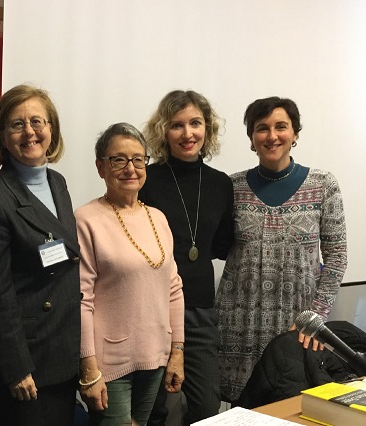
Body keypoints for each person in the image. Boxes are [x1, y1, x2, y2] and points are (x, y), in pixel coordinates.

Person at [215, 96, 348, 403]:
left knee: (292, 406)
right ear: (251, 137)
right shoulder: (231, 187)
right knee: (241, 409)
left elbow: (337, 257)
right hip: (239, 324)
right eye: (262, 128)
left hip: (296, 324)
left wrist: (315, 318)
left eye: (281, 127)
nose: (272, 136)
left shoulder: (323, 185)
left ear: (295, 133)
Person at [0, 84, 81, 426]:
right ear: (2, 136)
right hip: (30, 360)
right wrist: (16, 367)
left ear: (51, 129)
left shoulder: (58, 182)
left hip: (63, 345)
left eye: (37, 122)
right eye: (17, 124)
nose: (30, 132)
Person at [76, 122, 185, 426]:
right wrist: (88, 368)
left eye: (138, 159)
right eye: (118, 160)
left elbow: (173, 289)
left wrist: (177, 352)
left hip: (155, 355)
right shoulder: (86, 219)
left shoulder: (158, 218)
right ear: (101, 167)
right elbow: (81, 299)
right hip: (109, 363)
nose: (130, 168)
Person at [139, 90, 234, 425]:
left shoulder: (221, 184)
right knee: (152, 409)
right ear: (164, 131)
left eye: (195, 123)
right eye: (177, 125)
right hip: (152, 309)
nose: (187, 133)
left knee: (207, 408)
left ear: (207, 128)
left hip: (199, 311)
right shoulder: (146, 179)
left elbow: (222, 246)